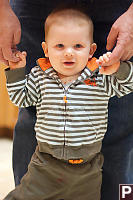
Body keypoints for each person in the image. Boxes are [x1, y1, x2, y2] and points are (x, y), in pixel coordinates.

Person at [0, 0, 133, 200]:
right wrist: (17, 71)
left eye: (78, 46)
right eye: (60, 46)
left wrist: (118, 69)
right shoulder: (39, 76)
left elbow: (127, 86)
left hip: (88, 169)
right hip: (45, 165)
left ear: (91, 50)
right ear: (45, 49)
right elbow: (21, 98)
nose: (69, 52)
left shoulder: (100, 78)